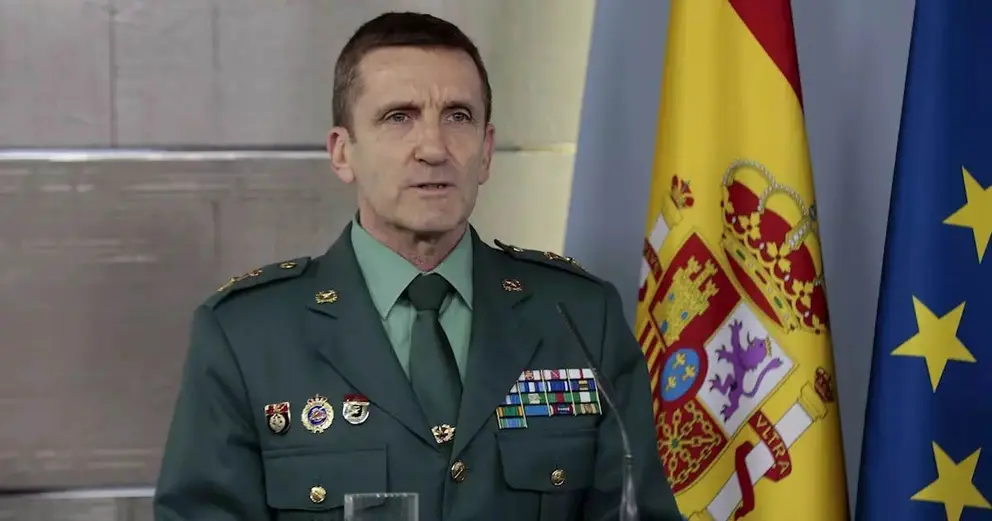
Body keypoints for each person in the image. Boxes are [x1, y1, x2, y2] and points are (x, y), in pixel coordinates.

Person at [153, 11, 681, 521]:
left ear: (486, 151)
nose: (433, 147)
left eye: (458, 117)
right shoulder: (247, 336)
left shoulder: (579, 319)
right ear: (342, 153)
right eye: (398, 117)